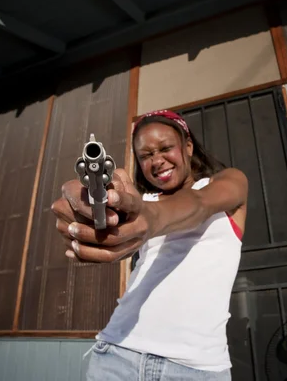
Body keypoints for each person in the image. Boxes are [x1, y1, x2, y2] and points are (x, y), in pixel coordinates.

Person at [51, 109, 249, 380]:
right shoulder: (144, 202)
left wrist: (150, 219)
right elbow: (121, 232)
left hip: (195, 368)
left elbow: (199, 204)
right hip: (117, 355)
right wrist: (88, 218)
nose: (157, 161)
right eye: (146, 155)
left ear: (188, 146)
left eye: (165, 148)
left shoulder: (228, 182)